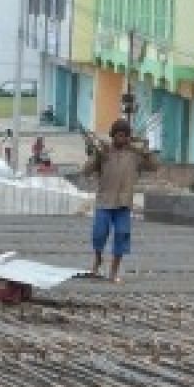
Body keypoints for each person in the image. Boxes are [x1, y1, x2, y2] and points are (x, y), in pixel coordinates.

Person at [81, 119, 158, 283]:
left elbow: (154, 166)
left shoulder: (135, 156)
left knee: (122, 235)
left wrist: (145, 150)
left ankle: (114, 271)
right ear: (113, 135)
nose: (121, 139)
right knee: (99, 234)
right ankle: (98, 259)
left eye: (124, 136)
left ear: (128, 137)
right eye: (118, 135)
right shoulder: (105, 153)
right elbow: (86, 171)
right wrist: (96, 155)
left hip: (124, 203)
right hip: (104, 201)